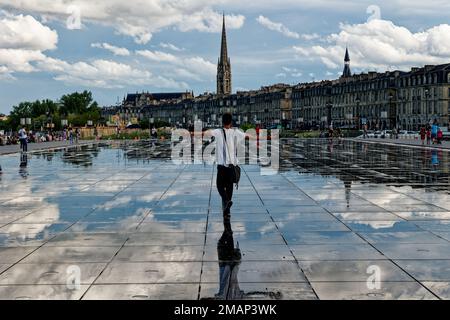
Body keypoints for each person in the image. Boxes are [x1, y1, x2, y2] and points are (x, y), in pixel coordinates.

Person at [212, 113, 245, 218]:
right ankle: (227, 210)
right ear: (231, 122)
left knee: (219, 186)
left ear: (222, 122)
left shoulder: (217, 132)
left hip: (222, 166)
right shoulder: (236, 132)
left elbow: (203, 133)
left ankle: (226, 201)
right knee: (229, 187)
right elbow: (248, 135)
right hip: (232, 165)